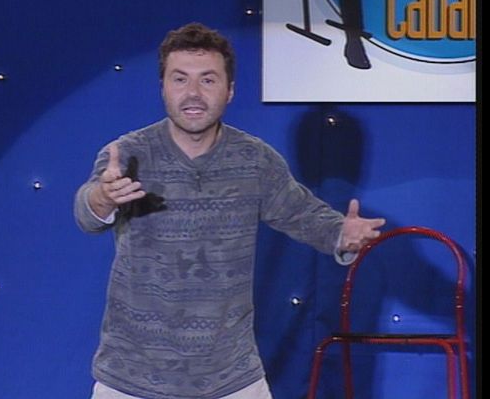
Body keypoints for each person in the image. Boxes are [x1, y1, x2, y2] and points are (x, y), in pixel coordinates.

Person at [74, 22, 386, 399]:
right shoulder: (128, 153)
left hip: (231, 379)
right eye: (180, 79)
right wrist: (103, 198)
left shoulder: (255, 160)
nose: (193, 93)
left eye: (208, 80)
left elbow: (302, 214)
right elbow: (87, 212)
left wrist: (341, 234)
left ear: (230, 90)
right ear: (163, 87)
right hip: (131, 380)